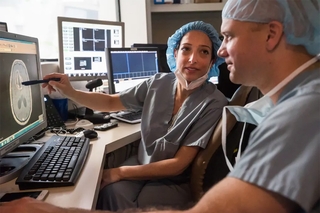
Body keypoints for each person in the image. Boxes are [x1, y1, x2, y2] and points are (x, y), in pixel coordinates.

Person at [1, 0, 319, 213]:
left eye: (227, 37)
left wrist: (48, 210)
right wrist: (70, 91)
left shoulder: (305, 113)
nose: (221, 52)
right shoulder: (293, 102)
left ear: (272, 34)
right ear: (174, 53)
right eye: (186, 49)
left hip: (171, 185)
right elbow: (111, 102)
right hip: (148, 178)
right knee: (110, 193)